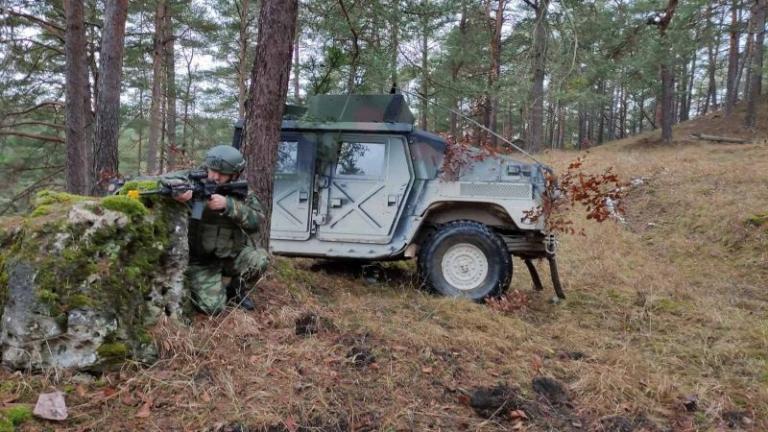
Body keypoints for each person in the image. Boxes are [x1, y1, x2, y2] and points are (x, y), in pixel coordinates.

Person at [162, 145, 268, 314]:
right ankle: (210, 288)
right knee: (213, 308)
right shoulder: (193, 179)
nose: (215, 177)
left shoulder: (242, 192)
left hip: (232, 255)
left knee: (260, 260)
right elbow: (165, 179)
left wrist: (229, 205)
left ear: (235, 174)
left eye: (222, 174)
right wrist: (177, 189)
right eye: (213, 170)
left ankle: (236, 288)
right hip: (201, 262)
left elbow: (257, 220)